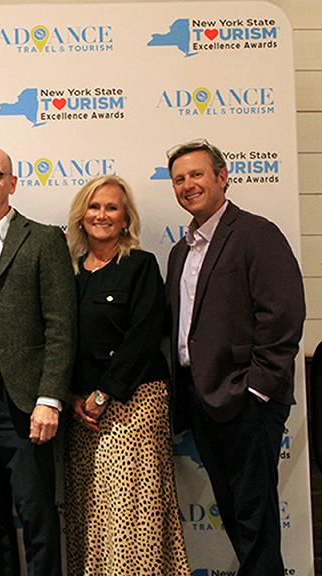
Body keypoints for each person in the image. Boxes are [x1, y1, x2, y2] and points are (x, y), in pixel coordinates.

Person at [165, 139, 305, 575]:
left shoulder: (255, 234)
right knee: (234, 514)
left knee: (254, 518)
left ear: (222, 177)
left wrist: (257, 389)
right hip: (203, 400)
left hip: (246, 401)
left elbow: (283, 315)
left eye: (197, 174)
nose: (188, 185)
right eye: (179, 179)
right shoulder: (181, 252)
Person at [0, 144, 75, 576]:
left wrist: (49, 399)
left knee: (36, 512)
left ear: (13, 183)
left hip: (23, 399)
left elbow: (61, 327)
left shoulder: (43, 239)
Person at [63, 175, 190, 575]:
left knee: (133, 516)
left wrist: (104, 395)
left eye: (111, 208)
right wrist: (73, 398)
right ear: (81, 215)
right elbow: (62, 340)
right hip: (82, 413)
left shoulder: (140, 264)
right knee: (91, 515)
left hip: (134, 405)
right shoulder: (69, 271)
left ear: (125, 219)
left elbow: (144, 336)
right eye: (94, 206)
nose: (101, 215)